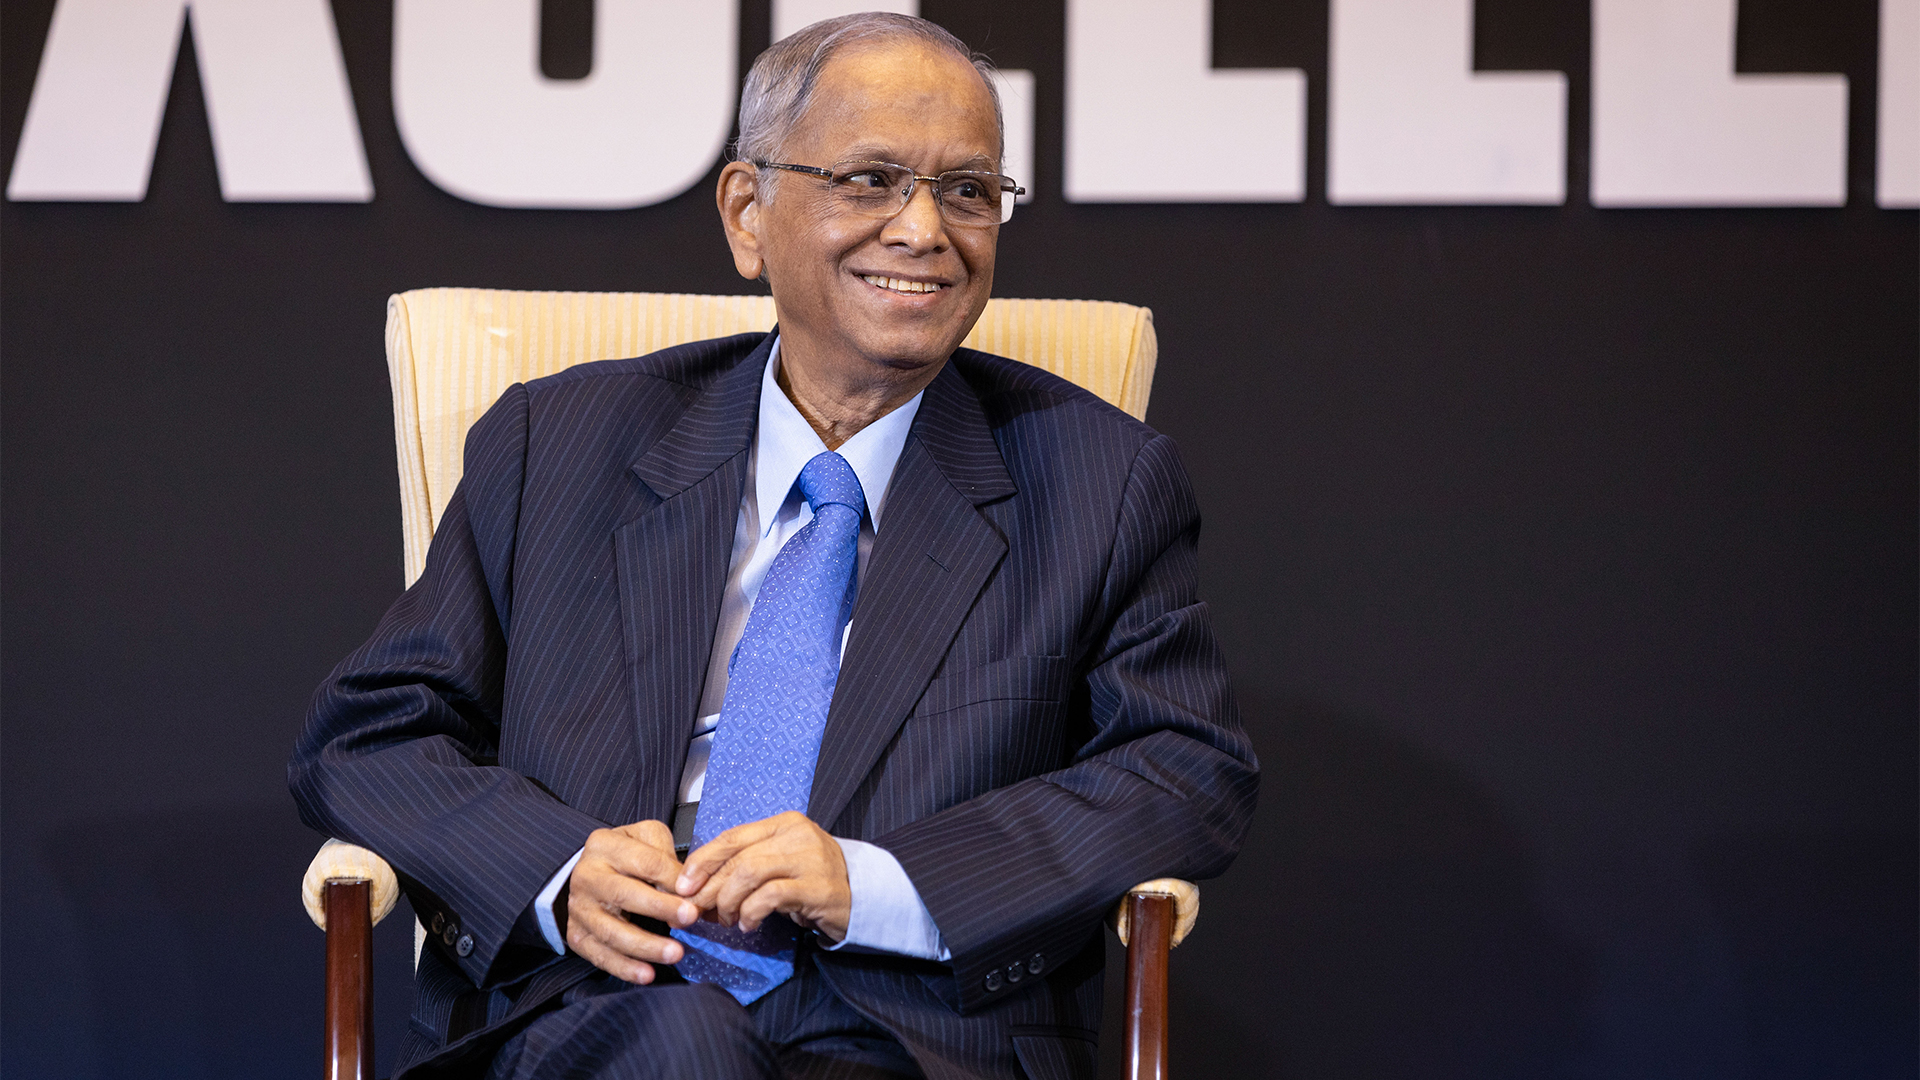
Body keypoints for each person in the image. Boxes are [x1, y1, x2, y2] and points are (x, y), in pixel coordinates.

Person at [290, 13, 1257, 1080]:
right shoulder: (557, 445)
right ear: (748, 214)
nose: (925, 230)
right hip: (599, 1019)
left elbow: (1185, 770)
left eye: (968, 190)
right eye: (872, 180)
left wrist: (877, 882)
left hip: (914, 1039)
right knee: (687, 1043)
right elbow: (371, 735)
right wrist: (559, 872)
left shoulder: (1100, 481)